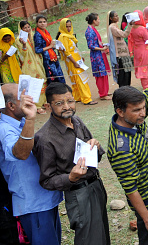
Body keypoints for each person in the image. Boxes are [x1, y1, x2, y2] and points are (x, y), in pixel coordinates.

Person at [33, 82, 109, 245]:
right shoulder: (44, 138)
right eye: (59, 103)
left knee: (102, 234)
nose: (67, 106)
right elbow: (46, 180)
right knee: (88, 239)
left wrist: (95, 146)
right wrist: (71, 177)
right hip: (78, 194)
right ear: (48, 106)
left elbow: (95, 157)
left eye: (70, 101)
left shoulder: (77, 121)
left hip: (96, 186)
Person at [107, 48, 148, 245]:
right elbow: (130, 188)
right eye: (137, 110)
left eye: (143, 108)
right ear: (120, 111)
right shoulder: (121, 149)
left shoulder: (135, 120)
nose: (143, 113)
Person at [0, 83, 63, 245]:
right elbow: (20, 153)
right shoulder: (4, 128)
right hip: (34, 204)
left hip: (43, 201)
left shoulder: (18, 123)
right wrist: (30, 119)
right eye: (23, 96)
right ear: (11, 106)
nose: (30, 98)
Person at [58, 18, 97, 105]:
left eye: (69, 26)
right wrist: (74, 62)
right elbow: (66, 51)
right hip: (72, 61)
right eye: (66, 27)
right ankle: (87, 99)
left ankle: (77, 97)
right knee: (80, 79)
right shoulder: (63, 37)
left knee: (76, 79)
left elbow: (74, 48)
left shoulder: (69, 36)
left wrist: (80, 57)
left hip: (77, 60)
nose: (68, 28)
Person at [17, 21, 47, 113]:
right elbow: (23, 54)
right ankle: (36, 106)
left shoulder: (33, 36)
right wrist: (25, 44)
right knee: (33, 83)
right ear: (21, 29)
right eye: (25, 28)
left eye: (28, 27)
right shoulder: (19, 39)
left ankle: (43, 102)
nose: (27, 29)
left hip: (37, 61)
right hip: (28, 64)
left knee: (42, 80)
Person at [85, 13, 111, 100]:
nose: (99, 21)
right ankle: (103, 94)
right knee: (100, 75)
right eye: (98, 19)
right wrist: (102, 49)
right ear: (94, 21)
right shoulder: (90, 32)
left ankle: (105, 92)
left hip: (99, 54)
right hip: (96, 56)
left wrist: (103, 46)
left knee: (103, 73)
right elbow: (91, 46)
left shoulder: (93, 30)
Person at [128, 10, 148, 88]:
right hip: (144, 50)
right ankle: (147, 86)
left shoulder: (132, 28)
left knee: (141, 67)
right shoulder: (142, 29)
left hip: (137, 50)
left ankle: (144, 85)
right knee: (146, 67)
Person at [34, 15, 65, 84]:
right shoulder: (37, 35)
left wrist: (55, 47)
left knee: (59, 75)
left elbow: (48, 45)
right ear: (37, 24)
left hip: (52, 56)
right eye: (40, 22)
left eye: (44, 22)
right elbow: (37, 50)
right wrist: (50, 46)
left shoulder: (47, 32)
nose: (42, 24)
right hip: (46, 59)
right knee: (53, 78)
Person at [107, 11, 133, 87]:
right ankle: (124, 89)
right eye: (115, 16)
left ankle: (127, 89)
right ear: (111, 18)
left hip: (124, 53)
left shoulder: (115, 26)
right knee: (123, 75)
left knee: (127, 74)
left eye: (117, 15)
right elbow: (124, 34)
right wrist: (130, 25)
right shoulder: (112, 27)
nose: (117, 17)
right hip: (120, 54)